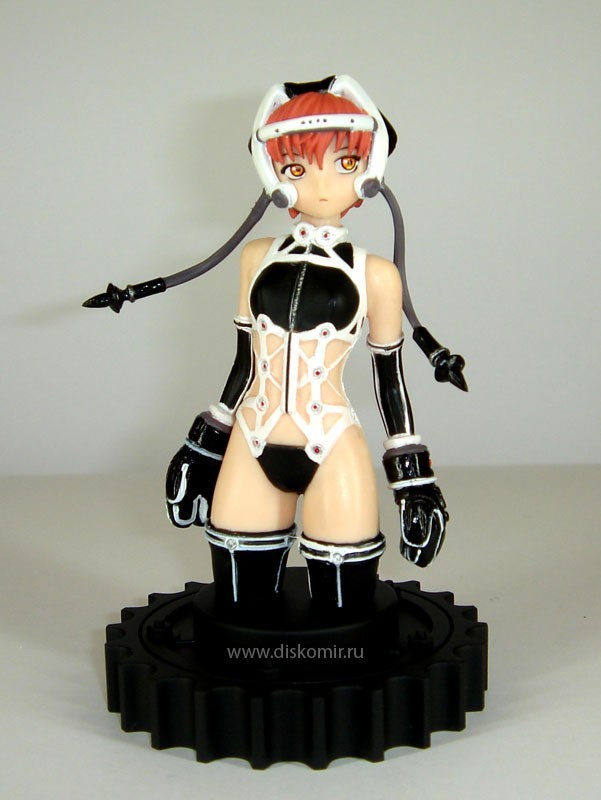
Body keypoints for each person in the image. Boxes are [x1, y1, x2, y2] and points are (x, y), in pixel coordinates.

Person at [163, 76, 460, 611]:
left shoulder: (377, 275)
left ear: (370, 170)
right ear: (272, 173)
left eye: (344, 163)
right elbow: (244, 363)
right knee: (239, 611)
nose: (322, 185)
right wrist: (203, 443)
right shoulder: (255, 257)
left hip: (333, 446)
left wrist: (413, 480)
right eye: (298, 169)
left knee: (347, 616)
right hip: (250, 441)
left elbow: (389, 380)